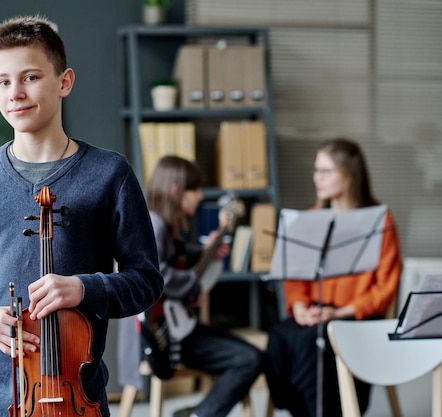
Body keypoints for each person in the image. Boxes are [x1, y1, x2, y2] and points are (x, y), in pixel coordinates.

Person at [0, 15, 163, 417]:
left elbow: (146, 281)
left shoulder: (110, 174)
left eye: (31, 77)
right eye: (3, 81)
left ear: (64, 81)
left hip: (76, 397)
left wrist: (84, 289)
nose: (15, 92)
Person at [264, 137, 402, 417]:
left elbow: (385, 288)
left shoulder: (380, 221)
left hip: (358, 316)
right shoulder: (308, 219)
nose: (318, 178)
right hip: (315, 312)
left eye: (326, 171)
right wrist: (301, 307)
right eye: (316, 170)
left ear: (350, 174)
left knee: (311, 341)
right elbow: (294, 280)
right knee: (281, 336)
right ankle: (304, 410)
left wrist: (338, 312)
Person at [145, 155, 263, 417]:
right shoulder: (155, 224)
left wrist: (204, 251)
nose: (199, 197)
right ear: (176, 190)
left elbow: (176, 257)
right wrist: (194, 286)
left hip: (181, 328)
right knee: (249, 359)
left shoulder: (162, 225)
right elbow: (157, 275)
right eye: (194, 189)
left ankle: (200, 411)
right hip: (168, 339)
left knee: (252, 353)